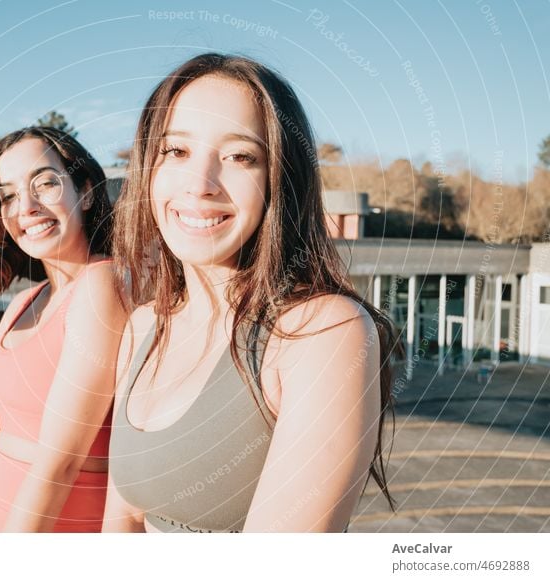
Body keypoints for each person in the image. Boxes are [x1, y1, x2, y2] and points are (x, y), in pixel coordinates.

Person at [103, 53, 398, 533]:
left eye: (240, 157)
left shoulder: (319, 332)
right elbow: (121, 521)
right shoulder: (142, 327)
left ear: (279, 180)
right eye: (176, 151)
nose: (200, 186)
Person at [0, 126, 127, 532]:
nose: (26, 207)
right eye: (9, 195)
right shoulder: (23, 304)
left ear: (85, 191)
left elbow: (61, 462)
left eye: (45, 183)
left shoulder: (103, 283)